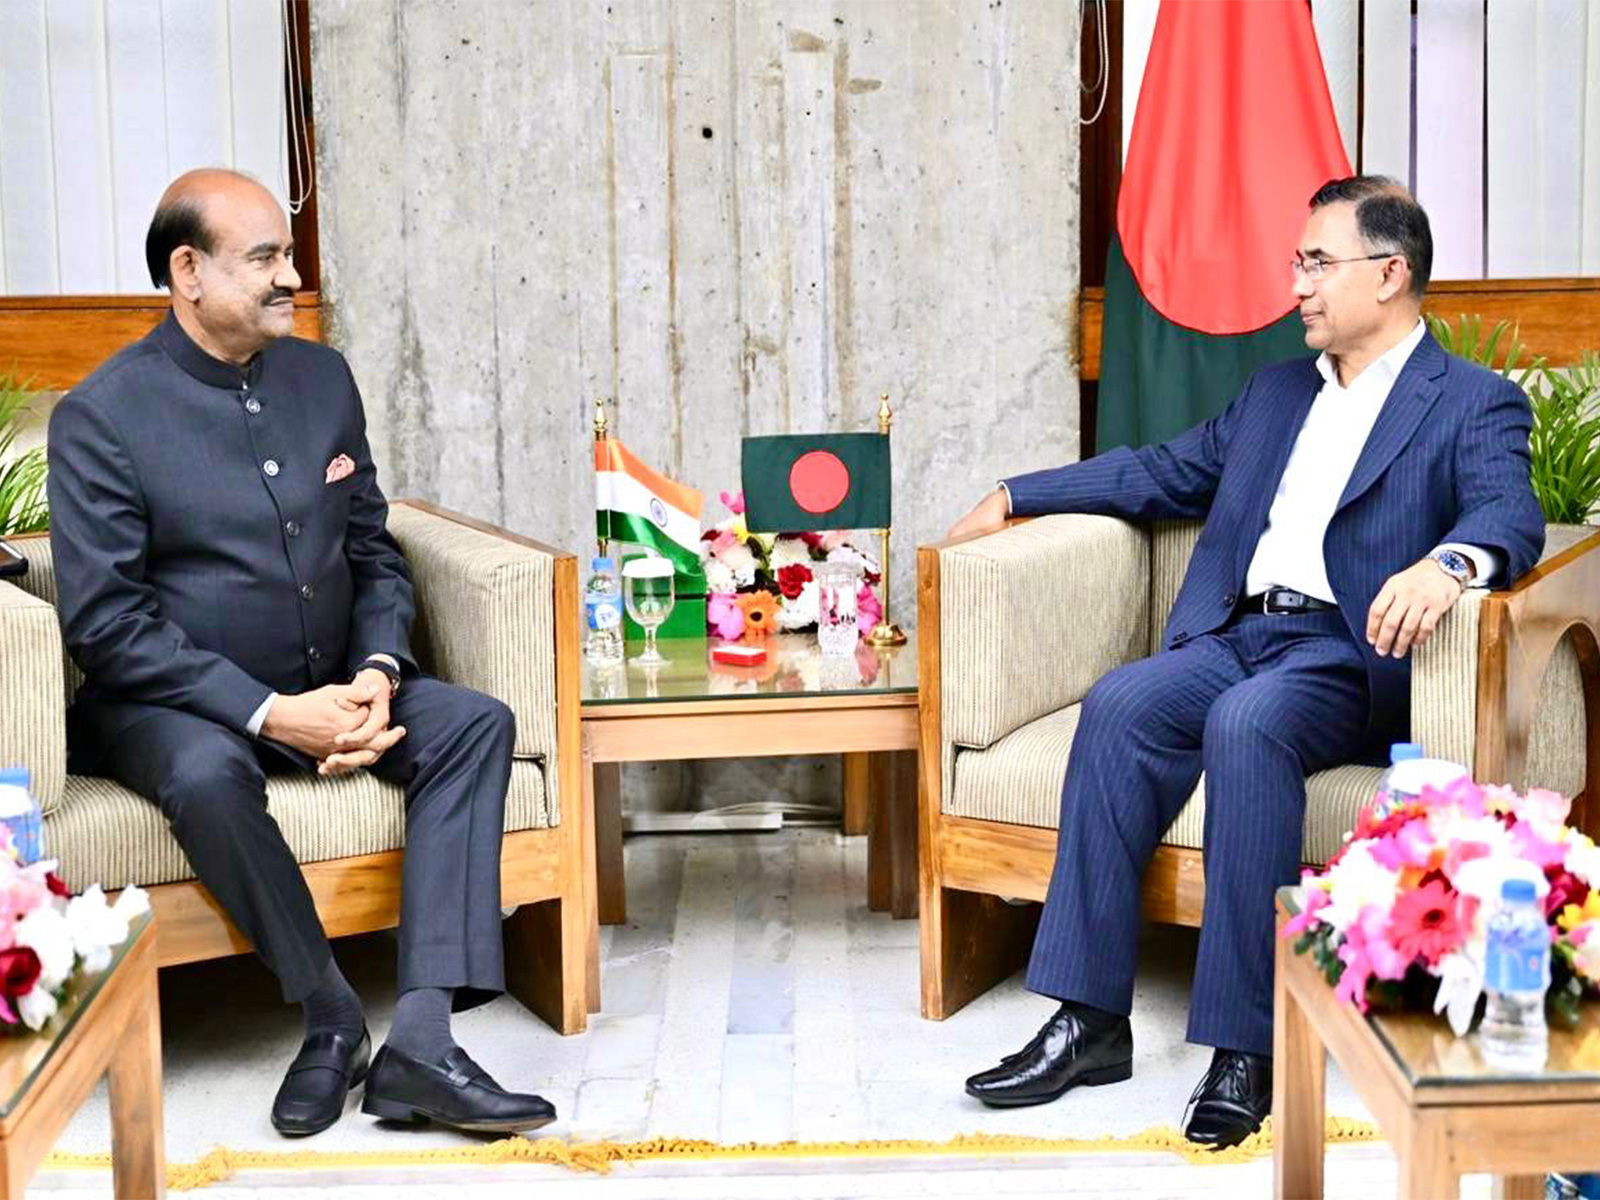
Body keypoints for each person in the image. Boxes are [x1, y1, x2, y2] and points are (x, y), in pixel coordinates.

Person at [949, 176, 1545, 1148]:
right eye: (1296, 262)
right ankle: (1089, 1019)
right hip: (1237, 635)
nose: (1296, 284)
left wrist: (1446, 565)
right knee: (1122, 704)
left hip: (1345, 655)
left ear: (1389, 274)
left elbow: (1507, 514)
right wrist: (1018, 494)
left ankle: (1245, 1046)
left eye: (1317, 262)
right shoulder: (1274, 393)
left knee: (1247, 725)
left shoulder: (1471, 400)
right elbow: (1160, 471)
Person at [47, 169, 555, 1138]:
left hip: (335, 680)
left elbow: (372, 547)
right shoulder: (103, 415)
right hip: (174, 706)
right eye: (266, 257)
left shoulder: (323, 377)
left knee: (475, 724)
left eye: (288, 253)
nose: (290, 274)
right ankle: (328, 1014)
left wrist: (375, 673)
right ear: (187, 271)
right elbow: (108, 622)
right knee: (203, 772)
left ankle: (420, 1042)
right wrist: (273, 714)